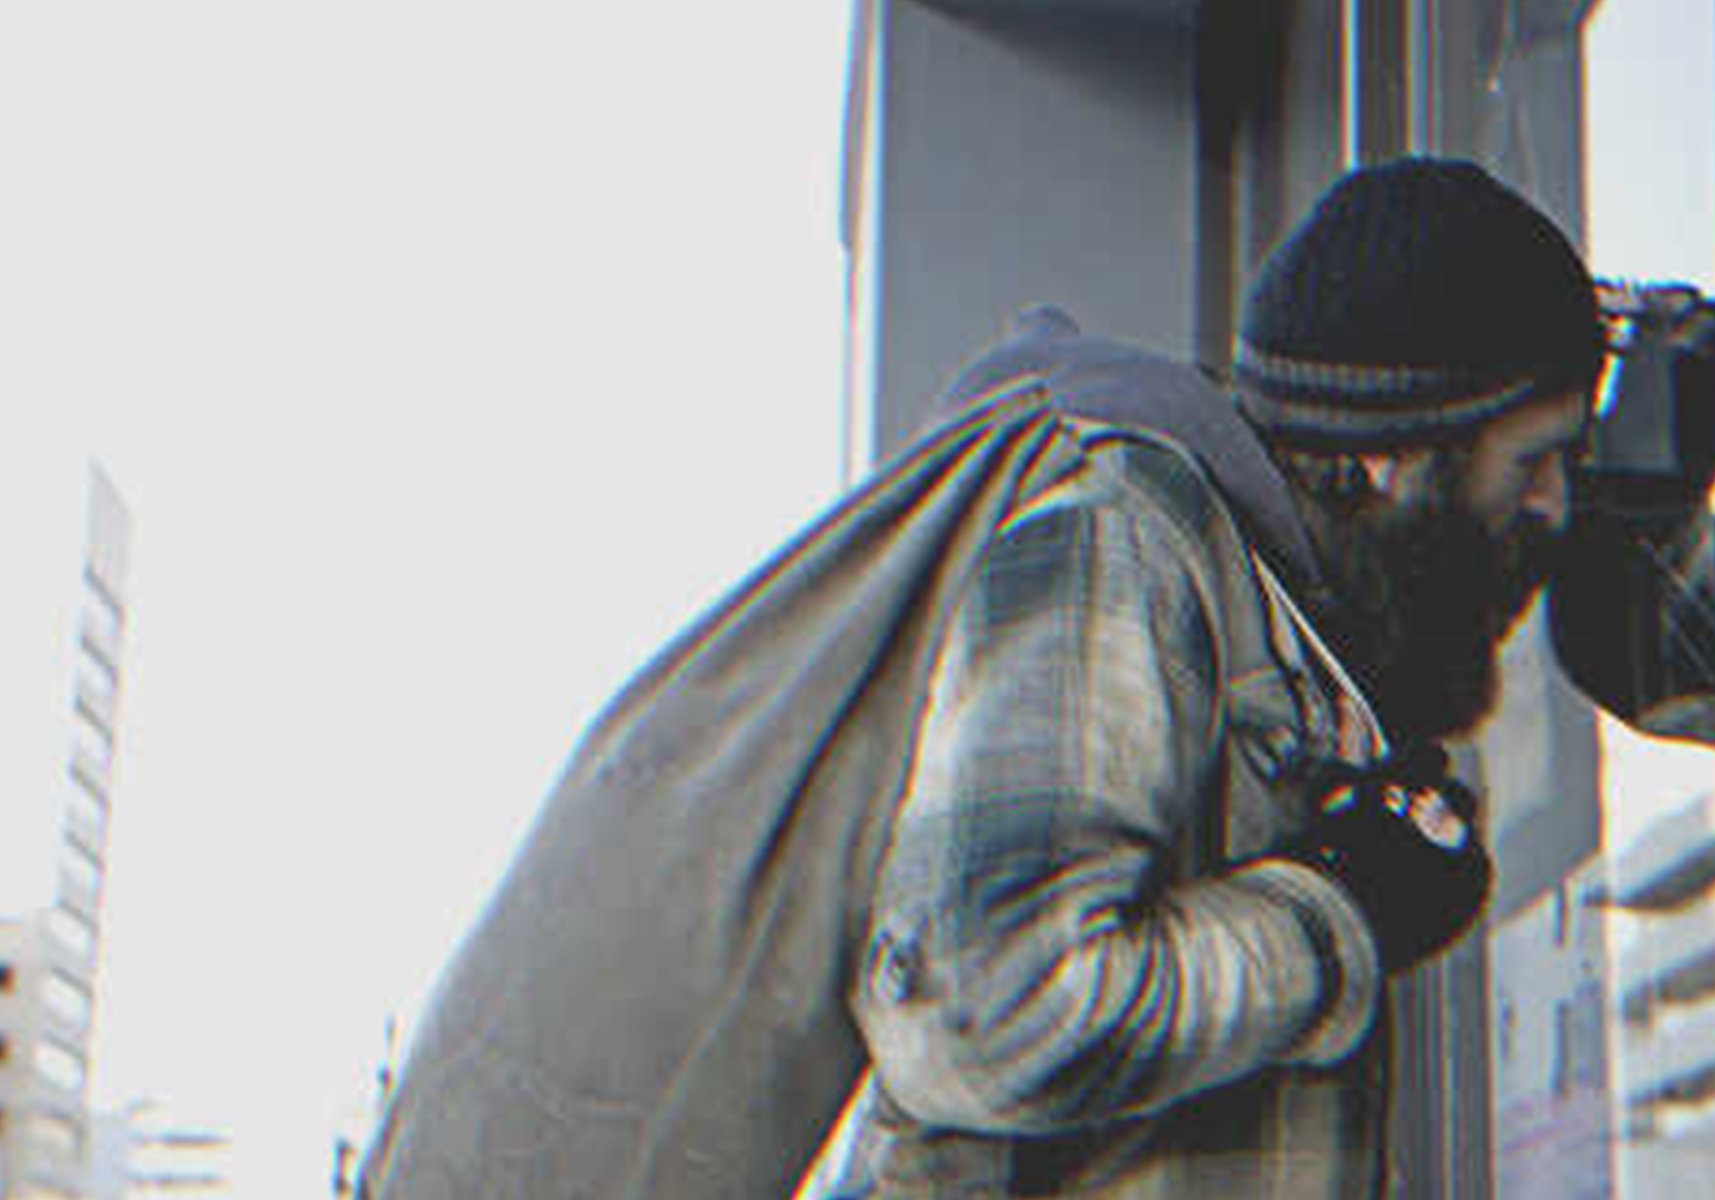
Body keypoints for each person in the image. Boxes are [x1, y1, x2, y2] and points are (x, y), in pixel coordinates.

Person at [360, 157, 1603, 1200]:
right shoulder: (1127, 529)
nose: (1552, 507)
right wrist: (1344, 910)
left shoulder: (1300, 606)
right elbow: (987, 1010)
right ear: (1390, 458)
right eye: (1534, 461)